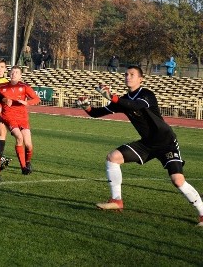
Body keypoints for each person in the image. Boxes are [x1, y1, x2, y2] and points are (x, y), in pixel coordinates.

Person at [77, 65, 203, 226]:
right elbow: (97, 113)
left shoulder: (146, 95)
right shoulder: (123, 99)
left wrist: (112, 97)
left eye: (132, 74)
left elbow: (135, 105)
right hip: (147, 144)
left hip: (166, 143)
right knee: (112, 158)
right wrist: (86, 106)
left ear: (140, 79)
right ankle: (117, 200)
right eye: (126, 74)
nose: (128, 77)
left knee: (178, 180)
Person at [0, 66, 41, 175]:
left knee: (29, 145)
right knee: (19, 137)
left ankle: (27, 161)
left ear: (20, 75)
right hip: (9, 116)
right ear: (9, 73)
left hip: (23, 117)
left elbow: (37, 99)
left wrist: (27, 103)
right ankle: (23, 167)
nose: (13, 74)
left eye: (16, 72)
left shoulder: (24, 87)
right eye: (12, 72)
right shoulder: (1, 87)